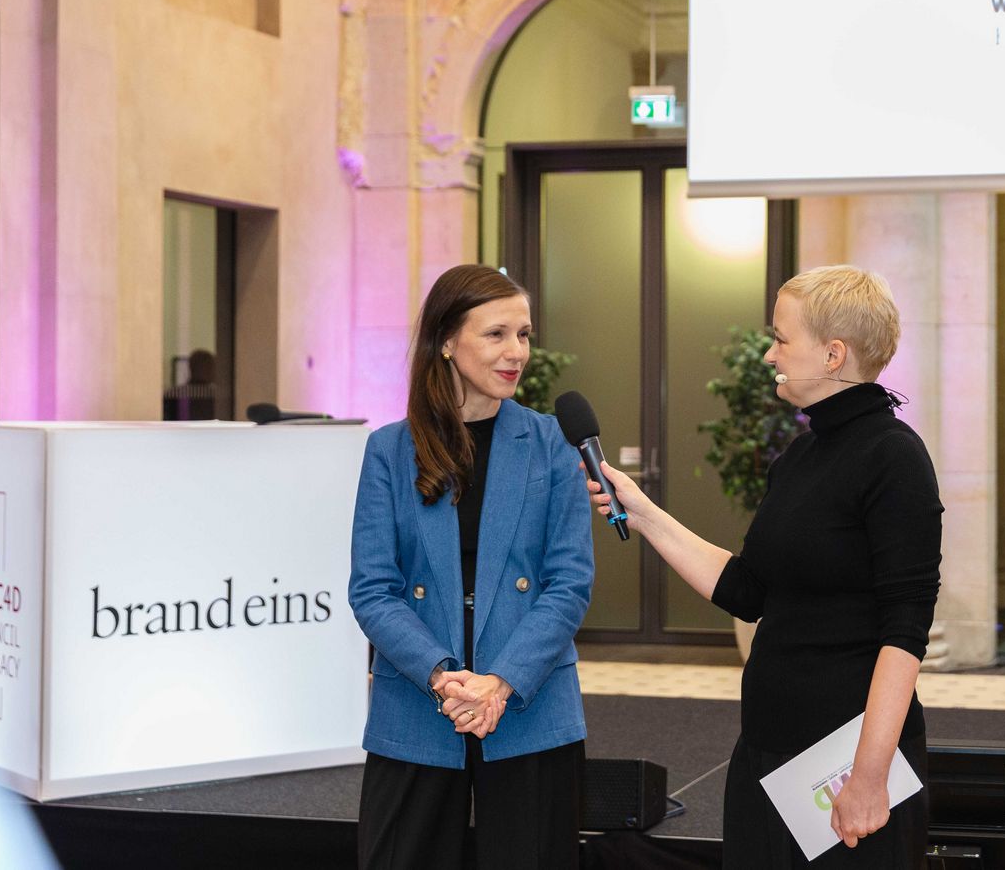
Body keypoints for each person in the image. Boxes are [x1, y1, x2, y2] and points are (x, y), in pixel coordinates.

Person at [587, 265, 944, 868]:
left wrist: (868, 776)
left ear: (833, 354)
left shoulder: (894, 457)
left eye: (781, 338)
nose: (769, 354)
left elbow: (904, 632)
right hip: (767, 750)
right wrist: (643, 513)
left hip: (847, 764)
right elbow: (749, 591)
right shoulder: (800, 455)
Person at [349, 264, 593, 869]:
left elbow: (569, 584)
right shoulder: (390, 449)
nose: (517, 352)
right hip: (418, 704)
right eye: (496, 334)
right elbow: (373, 590)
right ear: (446, 342)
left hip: (529, 702)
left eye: (524, 334)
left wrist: (500, 682)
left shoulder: (551, 443)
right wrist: (444, 677)